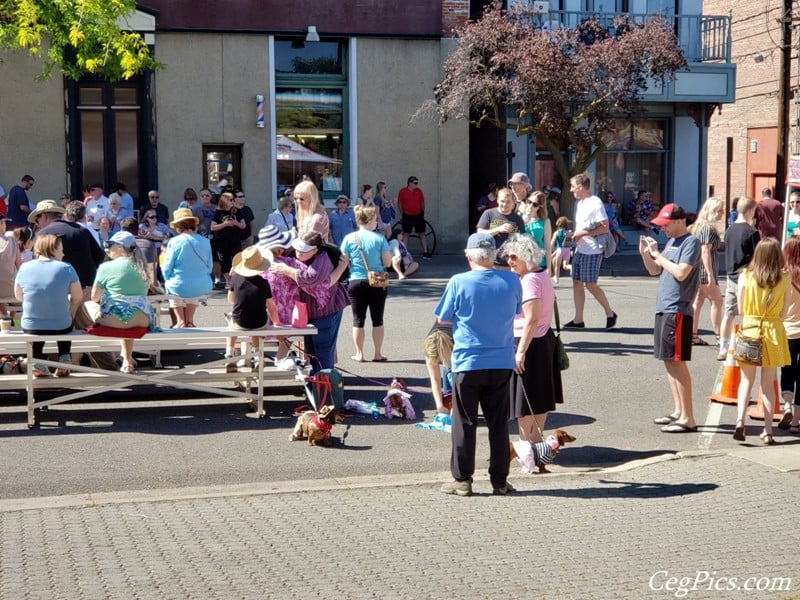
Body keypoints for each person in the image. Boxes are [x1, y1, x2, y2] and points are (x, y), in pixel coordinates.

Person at [435, 232, 521, 497]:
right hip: (501, 361)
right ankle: (500, 481)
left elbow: (442, 318)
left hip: (468, 361)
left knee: (465, 422)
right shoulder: (511, 279)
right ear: (493, 255)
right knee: (498, 424)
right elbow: (518, 310)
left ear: (469, 255)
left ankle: (462, 479)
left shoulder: (459, 281)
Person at [639, 204, 700, 434]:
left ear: (679, 221)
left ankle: (688, 418)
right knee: (668, 360)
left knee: (677, 362)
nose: (662, 228)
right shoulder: (671, 243)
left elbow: (682, 272)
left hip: (678, 309)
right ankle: (678, 411)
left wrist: (657, 255)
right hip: (665, 308)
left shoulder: (690, 242)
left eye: (665, 224)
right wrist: (647, 255)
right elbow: (656, 271)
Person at [502, 234, 562, 444]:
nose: (509, 261)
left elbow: (531, 319)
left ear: (526, 257)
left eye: (513, 257)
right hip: (542, 340)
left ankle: (526, 446)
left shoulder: (529, 281)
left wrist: (520, 353)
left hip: (528, 343)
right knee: (540, 396)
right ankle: (535, 442)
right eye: (508, 256)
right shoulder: (541, 275)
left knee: (524, 401)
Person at [732, 238, 790, 445]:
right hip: (773, 331)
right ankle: (768, 431)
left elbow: (740, 309)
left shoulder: (746, 277)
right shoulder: (785, 279)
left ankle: (740, 421)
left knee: (746, 381)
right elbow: (783, 312)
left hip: (750, 328)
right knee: (768, 384)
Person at [270, 231, 350, 373]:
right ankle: (317, 380)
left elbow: (309, 279)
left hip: (326, 309)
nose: (299, 253)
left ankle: (325, 384)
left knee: (323, 348)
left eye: (303, 251)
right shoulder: (295, 253)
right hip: (308, 312)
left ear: (315, 250)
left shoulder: (322, 259)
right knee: (311, 349)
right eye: (297, 248)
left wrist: (287, 270)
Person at [14, 234, 82, 377]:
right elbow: (77, 298)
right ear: (52, 249)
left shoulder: (25, 267)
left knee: (37, 323)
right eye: (61, 250)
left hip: (31, 326)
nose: (63, 253)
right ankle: (64, 357)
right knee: (65, 318)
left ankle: (38, 361)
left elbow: (19, 296)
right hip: (61, 325)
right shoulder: (66, 268)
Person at [90, 231, 152, 374]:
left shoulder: (106, 267)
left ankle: (74, 358)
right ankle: (127, 360)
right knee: (127, 317)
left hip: (115, 319)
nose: (107, 248)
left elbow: (94, 297)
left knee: (87, 305)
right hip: (142, 319)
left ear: (120, 247)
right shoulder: (142, 266)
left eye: (110, 245)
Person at [564, 173, 617, 330]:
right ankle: (578, 319)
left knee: (591, 284)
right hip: (581, 248)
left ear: (581, 187)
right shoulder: (580, 203)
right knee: (577, 282)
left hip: (593, 250)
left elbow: (605, 226)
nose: (571, 190)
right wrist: (573, 236)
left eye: (573, 186)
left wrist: (583, 233)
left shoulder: (596, 203)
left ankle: (610, 313)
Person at [340, 205, 391, 362]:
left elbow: (344, 260)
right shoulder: (379, 239)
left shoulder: (349, 238)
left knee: (358, 319)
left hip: (355, 281)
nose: (377, 221)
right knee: (378, 319)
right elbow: (387, 262)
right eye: (375, 218)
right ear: (369, 220)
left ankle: (359, 353)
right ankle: (377, 353)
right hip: (377, 282)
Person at [718, 197, 760, 360]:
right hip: (747, 277)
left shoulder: (729, 230)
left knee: (728, 313)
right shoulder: (752, 232)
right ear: (750, 211)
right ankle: (746, 349)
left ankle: (723, 347)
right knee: (748, 313)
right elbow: (758, 256)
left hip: (730, 276)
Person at [224, 246, 279, 370]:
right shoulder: (264, 283)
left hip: (239, 322)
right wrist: (277, 323)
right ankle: (257, 356)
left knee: (231, 321)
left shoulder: (235, 279)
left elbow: (231, 300)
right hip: (259, 322)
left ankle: (229, 353)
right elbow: (271, 307)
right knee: (257, 323)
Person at [162, 208, 213, 328]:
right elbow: (210, 266)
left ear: (178, 226)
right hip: (203, 284)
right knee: (192, 287)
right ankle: (190, 320)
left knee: (173, 285)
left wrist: (167, 279)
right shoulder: (206, 241)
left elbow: (167, 267)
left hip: (179, 285)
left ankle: (180, 321)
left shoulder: (174, 242)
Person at [688, 197, 725, 346]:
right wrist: (710, 274)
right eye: (719, 211)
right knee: (717, 301)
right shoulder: (707, 228)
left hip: (699, 270)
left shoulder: (700, 226)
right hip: (704, 271)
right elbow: (705, 250)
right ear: (712, 212)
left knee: (698, 301)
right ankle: (719, 337)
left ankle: (693, 334)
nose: (722, 213)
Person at [476, 187, 525, 267]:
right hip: (490, 262)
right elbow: (479, 234)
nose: (505, 204)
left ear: (513, 203)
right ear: (497, 201)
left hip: (511, 264)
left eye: (508, 202)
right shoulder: (488, 214)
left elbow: (523, 239)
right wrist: (498, 229)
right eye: (502, 201)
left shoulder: (517, 219)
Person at [780, 237, 800, 434]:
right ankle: (796, 422)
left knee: (787, 371)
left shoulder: (783, 276)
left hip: (788, 331)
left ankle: (786, 405)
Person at [210, 192, 246, 289]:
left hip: (235, 240)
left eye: (233, 200)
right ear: (224, 201)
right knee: (224, 261)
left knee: (237, 260)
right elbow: (213, 227)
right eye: (231, 200)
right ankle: (228, 282)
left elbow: (243, 225)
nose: (233, 202)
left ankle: (236, 281)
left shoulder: (236, 211)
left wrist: (235, 223)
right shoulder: (218, 212)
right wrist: (225, 224)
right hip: (221, 241)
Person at [423, 322, 454, 414]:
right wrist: (439, 405)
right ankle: (448, 404)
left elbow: (461, 382)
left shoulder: (457, 346)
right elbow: (435, 379)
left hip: (459, 340)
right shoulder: (429, 345)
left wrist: (456, 405)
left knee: (452, 374)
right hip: (446, 345)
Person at [397, 176, 431, 259]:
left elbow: (422, 202)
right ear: (410, 183)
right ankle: (404, 254)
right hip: (407, 215)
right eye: (415, 183)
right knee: (406, 233)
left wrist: (422, 212)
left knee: (422, 233)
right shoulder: (403, 191)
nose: (417, 185)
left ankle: (425, 252)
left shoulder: (419, 191)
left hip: (418, 215)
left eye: (417, 183)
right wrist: (403, 213)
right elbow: (400, 203)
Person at [522, 191, 552, 273]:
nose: (530, 206)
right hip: (522, 262)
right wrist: (523, 221)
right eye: (529, 202)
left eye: (535, 204)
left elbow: (547, 246)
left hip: (538, 263)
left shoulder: (545, 221)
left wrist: (549, 268)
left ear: (540, 207)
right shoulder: (520, 218)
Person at [0, 217, 19, 316]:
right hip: (12, 289)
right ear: (1, 224)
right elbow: (20, 266)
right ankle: (5, 317)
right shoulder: (12, 241)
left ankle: (5, 317)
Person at [550, 216, 573, 284]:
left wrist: (549, 250)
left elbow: (552, 243)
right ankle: (571, 267)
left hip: (560, 250)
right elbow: (569, 243)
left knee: (557, 265)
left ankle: (556, 278)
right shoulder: (568, 232)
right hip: (567, 250)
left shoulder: (557, 232)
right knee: (565, 266)